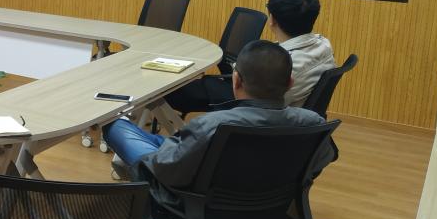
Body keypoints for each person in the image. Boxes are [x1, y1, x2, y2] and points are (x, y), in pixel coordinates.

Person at [106, 40, 328, 197]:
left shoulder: (211, 125)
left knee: (114, 126)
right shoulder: (313, 123)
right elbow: (319, 162)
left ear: (236, 81)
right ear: (290, 84)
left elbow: (166, 170)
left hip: (196, 208)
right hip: (267, 209)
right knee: (160, 143)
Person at [165, 0, 336, 115]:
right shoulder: (324, 45)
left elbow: (252, 102)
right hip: (287, 119)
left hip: (255, 113)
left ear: (272, 20)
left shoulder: (286, 68)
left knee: (175, 90)